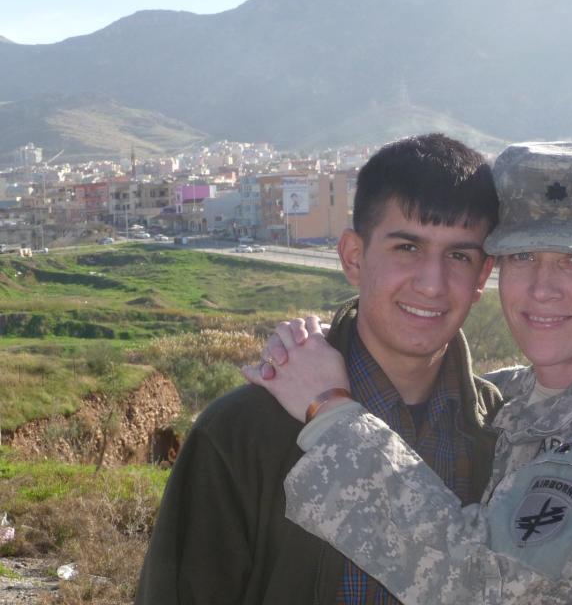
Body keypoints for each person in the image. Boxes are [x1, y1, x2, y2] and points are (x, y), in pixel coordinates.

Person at [248, 141, 572, 604]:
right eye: (522, 256)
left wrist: (330, 410)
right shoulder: (505, 400)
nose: (542, 288)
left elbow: (478, 585)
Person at [135, 133, 503, 604]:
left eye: (458, 255)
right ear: (353, 255)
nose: (432, 284)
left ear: (482, 277)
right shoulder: (245, 432)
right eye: (407, 248)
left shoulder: (506, 434)